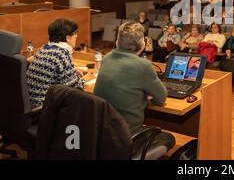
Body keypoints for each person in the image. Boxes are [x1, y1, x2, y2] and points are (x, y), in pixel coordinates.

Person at [93, 22, 175, 153]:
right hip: (127, 137)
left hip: (102, 133)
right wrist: (145, 97)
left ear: (117, 41)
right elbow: (161, 98)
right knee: (169, 138)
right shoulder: (143, 65)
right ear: (142, 45)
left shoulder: (106, 58)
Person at [26, 18, 84, 108]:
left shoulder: (44, 48)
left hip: (33, 103)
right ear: (68, 38)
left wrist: (72, 72)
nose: (77, 36)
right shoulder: (61, 54)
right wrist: (82, 79)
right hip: (45, 109)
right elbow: (75, 88)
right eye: (75, 33)